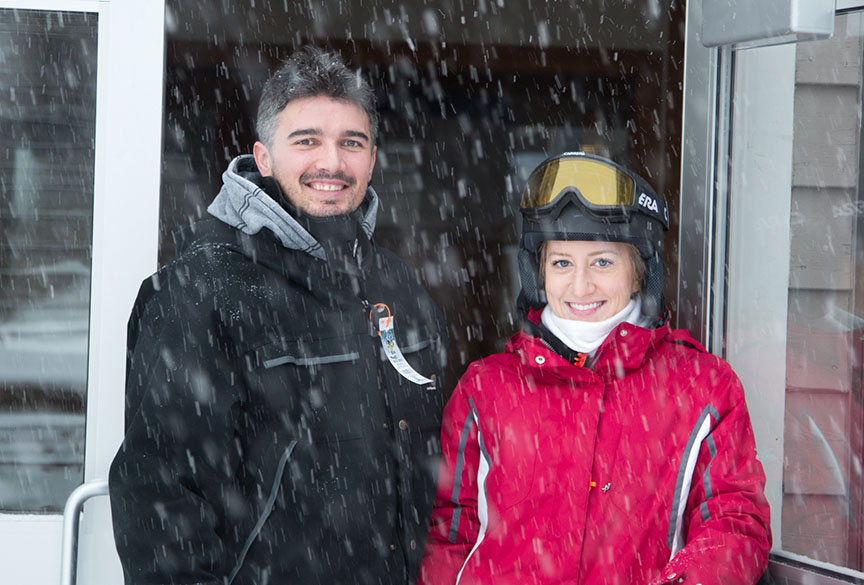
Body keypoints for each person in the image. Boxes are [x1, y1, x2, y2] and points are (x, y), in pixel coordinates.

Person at [109, 46, 448, 585]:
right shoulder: (200, 292)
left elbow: (435, 476)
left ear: (373, 158)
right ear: (264, 158)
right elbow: (159, 497)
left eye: (350, 143)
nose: (332, 163)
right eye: (306, 141)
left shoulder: (399, 289)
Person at [418, 152, 771, 585]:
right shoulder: (486, 388)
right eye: (562, 262)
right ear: (538, 273)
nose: (580, 286)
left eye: (603, 262)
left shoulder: (702, 386)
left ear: (640, 273)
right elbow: (449, 533)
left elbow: (734, 522)